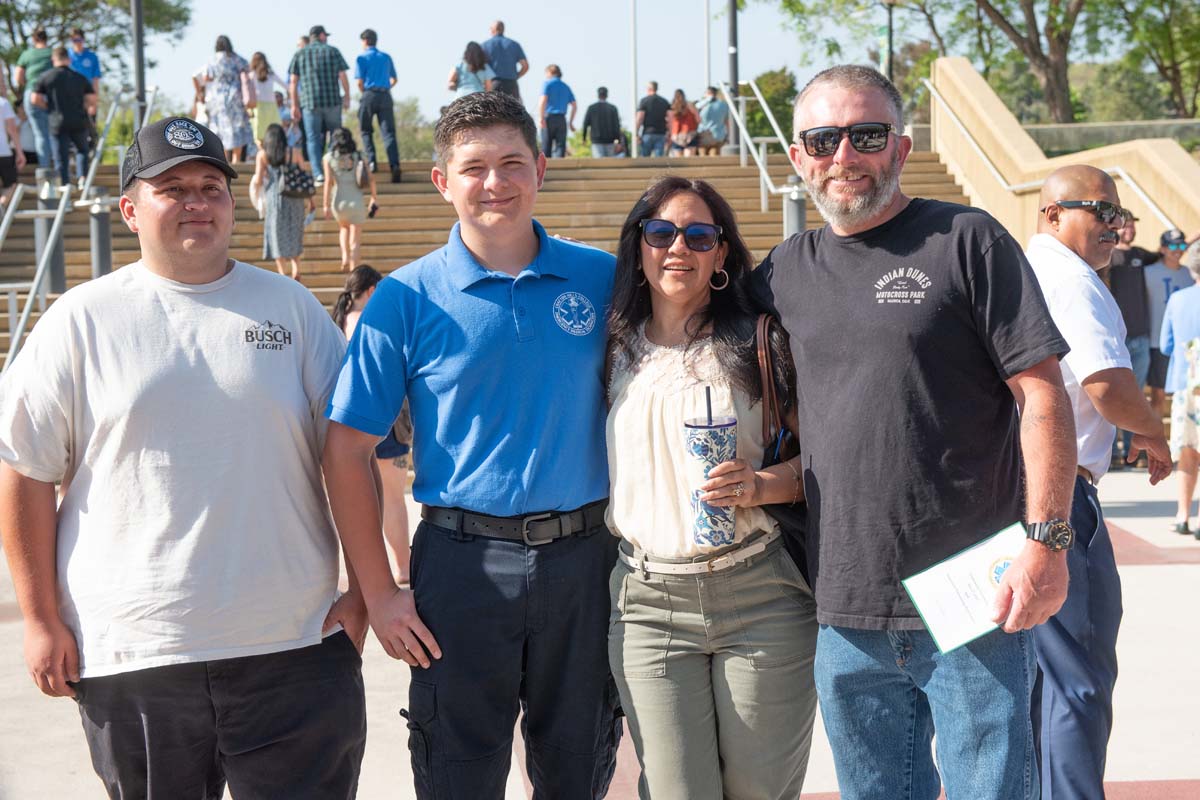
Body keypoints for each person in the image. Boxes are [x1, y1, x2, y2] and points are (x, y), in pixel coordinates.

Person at [0, 115, 366, 800]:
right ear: (130, 209)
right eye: (172, 188)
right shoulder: (79, 322)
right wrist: (42, 620)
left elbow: (348, 459)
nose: (197, 202)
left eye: (211, 186)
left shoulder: (290, 310)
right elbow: (24, 473)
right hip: (135, 651)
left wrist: (367, 592)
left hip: (293, 645)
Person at [750, 64, 1077, 800]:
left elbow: (1043, 397)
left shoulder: (967, 239)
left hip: (972, 597)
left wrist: (1047, 543)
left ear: (899, 149)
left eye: (866, 135)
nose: (844, 156)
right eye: (823, 139)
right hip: (842, 603)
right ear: (798, 156)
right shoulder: (783, 271)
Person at [321, 90, 622, 799]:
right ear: (442, 181)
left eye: (512, 162)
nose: (495, 183)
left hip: (586, 560)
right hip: (461, 567)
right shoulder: (403, 298)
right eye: (475, 167)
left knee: (578, 770)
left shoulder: (603, 279)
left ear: (541, 169)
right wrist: (380, 592)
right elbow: (344, 451)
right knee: (457, 775)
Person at [606, 175, 818, 798]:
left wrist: (758, 485)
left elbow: (827, 461)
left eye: (700, 235)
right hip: (647, 605)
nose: (680, 248)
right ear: (638, 246)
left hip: (762, 594)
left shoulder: (759, 340)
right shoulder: (608, 347)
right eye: (661, 233)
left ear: (721, 254)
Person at [1025, 165, 1172, 800]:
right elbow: (1107, 382)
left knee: (1032, 679)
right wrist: (1153, 432)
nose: (1114, 226)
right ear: (1053, 214)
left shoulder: (1021, 271)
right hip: (1058, 495)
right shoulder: (1071, 281)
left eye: (1117, 213)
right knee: (1075, 677)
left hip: (1012, 491)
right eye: (1099, 211)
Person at [331, 265, 414, 584]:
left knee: (361, 498)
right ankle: (403, 567)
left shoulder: (337, 321)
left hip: (349, 419)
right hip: (386, 418)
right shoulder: (373, 320)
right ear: (370, 291)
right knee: (392, 497)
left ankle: (366, 573)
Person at [1106, 215, 1158, 468]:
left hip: (1141, 337)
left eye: (1135, 224)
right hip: (1117, 339)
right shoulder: (1108, 257)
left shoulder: (1140, 255)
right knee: (1115, 395)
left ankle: (1131, 451)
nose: (1132, 228)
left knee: (1136, 395)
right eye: (1127, 224)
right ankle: (1113, 451)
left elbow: (1166, 254)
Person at [1160, 255, 1200, 538]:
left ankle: (1183, 515)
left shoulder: (1178, 299)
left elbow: (1165, 345)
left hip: (1186, 383)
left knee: (1187, 451)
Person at [252, 122, 314, 280]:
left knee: (276, 234)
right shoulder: (295, 152)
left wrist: (257, 188)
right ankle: (296, 268)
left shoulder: (263, 155)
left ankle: (282, 273)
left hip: (275, 199)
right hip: (295, 199)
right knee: (295, 232)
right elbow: (304, 176)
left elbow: (258, 179)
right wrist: (311, 200)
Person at [289, 25, 350, 184]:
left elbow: (293, 82)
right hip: (332, 102)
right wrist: (347, 96)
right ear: (321, 35)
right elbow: (342, 75)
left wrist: (294, 105)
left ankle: (318, 174)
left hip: (310, 103)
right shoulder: (333, 51)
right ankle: (332, 168)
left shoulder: (300, 54)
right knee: (336, 136)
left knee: (312, 138)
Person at [1145, 228, 1194, 417]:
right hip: (1157, 343)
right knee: (1158, 395)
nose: (1178, 249)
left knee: (1188, 393)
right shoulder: (1148, 272)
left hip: (1187, 346)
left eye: (1182, 245)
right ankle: (1154, 445)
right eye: (1173, 245)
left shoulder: (1190, 274)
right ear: (1163, 249)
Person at [31, 47, 96, 187]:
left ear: (53, 59)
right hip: (78, 120)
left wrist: (48, 107)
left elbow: (34, 98)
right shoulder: (79, 77)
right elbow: (91, 99)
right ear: (69, 59)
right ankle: (82, 178)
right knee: (82, 150)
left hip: (56, 121)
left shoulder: (46, 76)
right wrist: (83, 106)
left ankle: (64, 186)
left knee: (61, 158)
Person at [323, 127, 376, 271]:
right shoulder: (359, 156)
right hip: (357, 200)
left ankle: (345, 255)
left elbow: (328, 182)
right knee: (356, 239)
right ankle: (354, 267)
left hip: (339, 200)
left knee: (343, 228)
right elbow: (370, 178)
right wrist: (373, 198)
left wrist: (325, 205)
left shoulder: (329, 158)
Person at [194, 36, 252, 163]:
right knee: (237, 128)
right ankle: (237, 159)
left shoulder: (212, 60)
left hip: (217, 101)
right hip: (236, 98)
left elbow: (204, 77)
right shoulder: (238, 59)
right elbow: (248, 70)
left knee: (221, 129)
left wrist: (201, 94)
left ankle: (225, 159)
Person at [355, 29, 401, 184]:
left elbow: (359, 82)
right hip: (385, 95)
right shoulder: (386, 57)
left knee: (366, 130)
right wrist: (386, 87)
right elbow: (394, 79)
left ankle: (372, 162)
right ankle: (394, 164)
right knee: (388, 133)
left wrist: (366, 93)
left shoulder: (361, 58)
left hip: (369, 94)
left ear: (365, 41)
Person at [14, 27, 53, 172]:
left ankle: (45, 169)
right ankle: (56, 165)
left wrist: (28, 84)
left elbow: (18, 77)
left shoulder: (27, 54)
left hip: (32, 93)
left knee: (40, 133)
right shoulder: (52, 53)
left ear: (34, 39)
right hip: (50, 94)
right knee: (53, 132)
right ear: (46, 38)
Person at [247, 52, 288, 147]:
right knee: (275, 132)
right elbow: (286, 86)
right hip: (272, 107)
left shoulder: (251, 75)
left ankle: (262, 154)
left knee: (259, 135)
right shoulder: (271, 74)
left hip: (258, 107)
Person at [481, 20, 527, 97]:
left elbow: (481, 66)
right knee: (514, 108)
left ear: (493, 30)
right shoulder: (514, 44)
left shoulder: (485, 45)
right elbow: (525, 66)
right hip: (511, 83)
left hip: (493, 83)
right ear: (503, 29)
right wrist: (516, 76)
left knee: (492, 108)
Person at [537, 64, 575, 158]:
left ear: (550, 72)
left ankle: (547, 170)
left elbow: (543, 101)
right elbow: (574, 105)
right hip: (562, 119)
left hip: (549, 118)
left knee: (546, 146)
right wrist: (570, 122)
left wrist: (541, 118)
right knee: (560, 146)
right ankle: (560, 171)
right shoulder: (566, 86)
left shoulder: (547, 84)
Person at [0, 95, 26, 207]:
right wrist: (20, 153)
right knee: (10, 185)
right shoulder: (3, 103)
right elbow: (12, 129)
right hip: (3, 151)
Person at [582, 86, 622, 158]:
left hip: (596, 140)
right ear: (607, 95)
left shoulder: (591, 108)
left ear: (598, 95)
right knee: (610, 164)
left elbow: (585, 124)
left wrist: (584, 138)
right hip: (610, 140)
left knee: (599, 164)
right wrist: (618, 141)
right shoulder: (612, 108)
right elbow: (617, 126)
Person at [636, 81, 670, 157]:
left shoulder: (644, 101)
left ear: (649, 89)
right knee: (659, 160)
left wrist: (636, 132)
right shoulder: (664, 101)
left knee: (645, 160)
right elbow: (670, 118)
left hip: (647, 133)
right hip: (661, 133)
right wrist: (670, 132)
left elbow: (640, 118)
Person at [696, 86, 728, 155]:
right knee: (714, 154)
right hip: (719, 135)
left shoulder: (703, 105)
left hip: (704, 134)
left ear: (708, 93)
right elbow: (726, 121)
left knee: (702, 153)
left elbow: (696, 112)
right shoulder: (724, 105)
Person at [667, 89, 700, 157]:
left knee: (679, 163)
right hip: (690, 135)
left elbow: (670, 123)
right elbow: (698, 119)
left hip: (676, 136)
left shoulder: (672, 107)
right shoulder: (690, 105)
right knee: (689, 161)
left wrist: (671, 135)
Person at [68, 28, 102, 95]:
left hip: (86, 93)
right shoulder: (66, 55)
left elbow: (96, 79)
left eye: (79, 40)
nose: (77, 43)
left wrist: (95, 97)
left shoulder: (92, 57)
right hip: (70, 94)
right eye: (75, 40)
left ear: (83, 39)